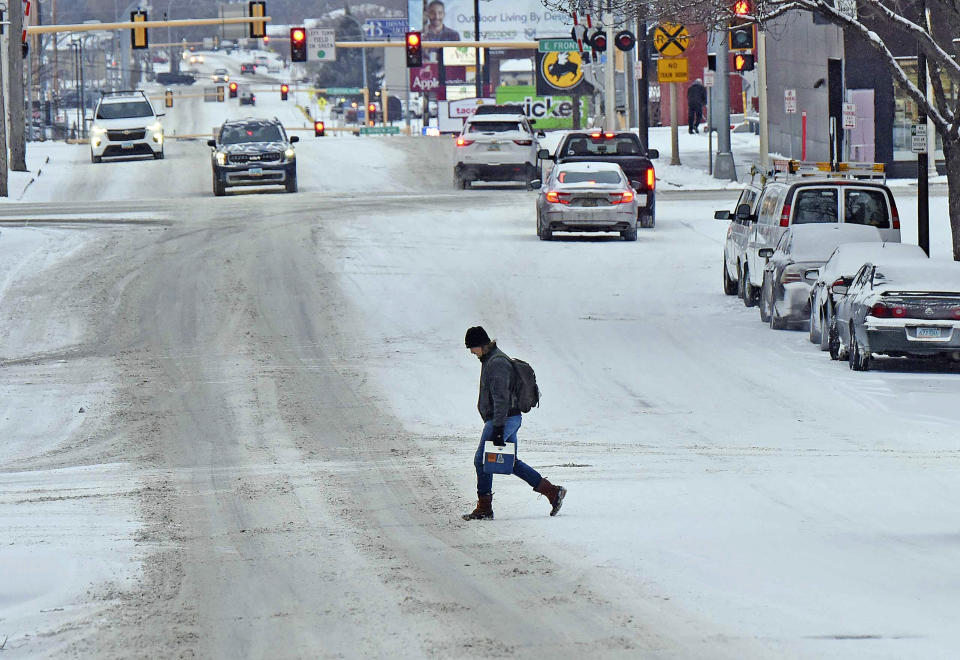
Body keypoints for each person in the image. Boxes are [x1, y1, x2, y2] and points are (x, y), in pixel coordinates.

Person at [462, 326, 566, 520]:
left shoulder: (497, 362)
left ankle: (484, 508)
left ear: (481, 344)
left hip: (503, 419)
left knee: (481, 460)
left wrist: (499, 428)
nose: (471, 351)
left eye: (472, 347)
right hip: (507, 418)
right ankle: (553, 492)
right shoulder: (490, 359)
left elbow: (501, 398)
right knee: (510, 463)